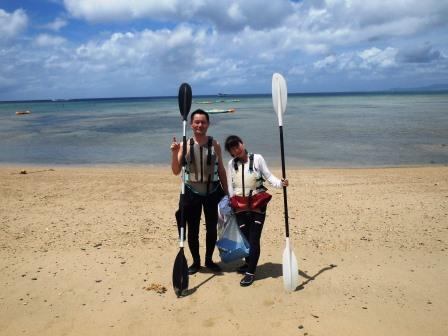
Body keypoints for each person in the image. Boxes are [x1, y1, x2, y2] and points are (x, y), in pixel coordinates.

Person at [224, 135, 288, 287]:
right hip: (239, 206)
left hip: (257, 204)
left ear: (242, 144)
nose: (236, 149)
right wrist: (230, 205)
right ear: (231, 152)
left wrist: (281, 183)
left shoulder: (257, 159)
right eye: (232, 148)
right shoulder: (231, 163)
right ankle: (249, 263)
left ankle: (250, 272)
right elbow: (230, 187)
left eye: (237, 145)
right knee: (245, 239)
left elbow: (269, 176)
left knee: (253, 239)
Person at [171, 109, 228, 274]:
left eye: (203, 122)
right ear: (191, 124)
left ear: (208, 124)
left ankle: (209, 260)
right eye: (196, 122)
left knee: (211, 229)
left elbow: (222, 170)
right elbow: (176, 171)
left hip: (212, 191)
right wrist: (175, 153)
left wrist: (227, 192)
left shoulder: (215, 144)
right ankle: (196, 262)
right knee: (193, 230)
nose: (199, 125)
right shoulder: (184, 145)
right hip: (190, 192)